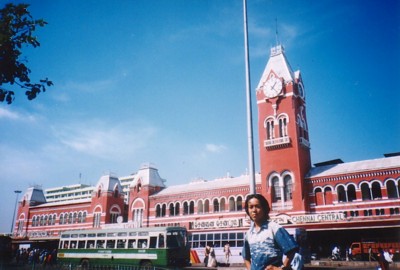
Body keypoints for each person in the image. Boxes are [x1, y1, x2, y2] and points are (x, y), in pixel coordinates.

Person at [242, 194, 298, 270]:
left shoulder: (274, 228)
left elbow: (291, 250)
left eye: (257, 206)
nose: (254, 210)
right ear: (247, 210)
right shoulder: (249, 234)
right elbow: (246, 257)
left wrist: (281, 268)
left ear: (264, 208)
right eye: (251, 207)